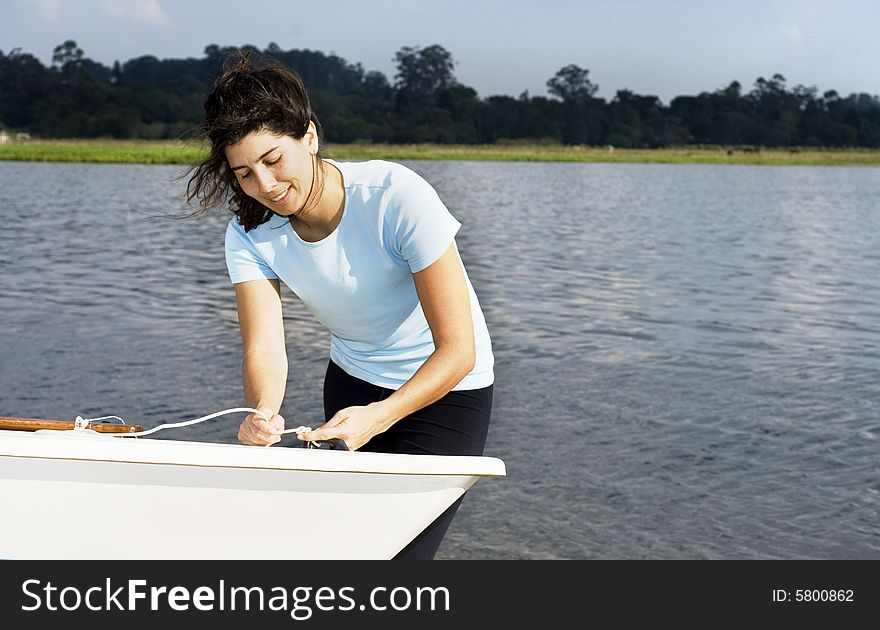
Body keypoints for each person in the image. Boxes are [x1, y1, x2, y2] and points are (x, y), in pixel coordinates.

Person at [185, 52, 495, 560]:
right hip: (353, 384)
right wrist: (263, 411)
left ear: (309, 136)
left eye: (272, 160)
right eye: (243, 173)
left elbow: (459, 349)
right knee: (342, 554)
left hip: (449, 392)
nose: (266, 188)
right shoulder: (249, 232)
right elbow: (265, 345)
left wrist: (381, 417)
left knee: (401, 560)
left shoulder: (396, 197)